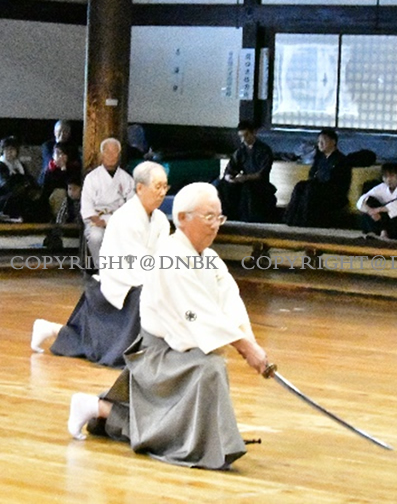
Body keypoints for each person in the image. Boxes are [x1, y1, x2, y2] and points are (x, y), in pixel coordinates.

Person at [66, 182, 269, 471]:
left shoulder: (209, 259)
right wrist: (245, 348)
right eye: (208, 217)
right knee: (208, 368)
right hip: (157, 355)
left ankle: (207, 442)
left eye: (219, 217)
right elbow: (199, 312)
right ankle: (102, 409)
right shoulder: (170, 256)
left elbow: (230, 304)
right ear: (182, 219)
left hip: (182, 350)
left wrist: (252, 344)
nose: (215, 226)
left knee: (208, 365)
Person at [31, 162, 171, 368]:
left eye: (165, 187)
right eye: (157, 186)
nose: (162, 192)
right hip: (122, 280)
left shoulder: (161, 220)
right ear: (140, 188)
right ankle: (140, 351)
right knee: (147, 295)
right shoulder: (125, 218)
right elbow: (132, 263)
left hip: (145, 277)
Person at [80, 138, 135, 266]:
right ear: (101, 154)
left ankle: (125, 270)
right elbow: (87, 205)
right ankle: (102, 267)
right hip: (97, 220)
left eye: (114, 152)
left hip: (119, 220)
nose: (111, 155)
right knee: (96, 236)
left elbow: (132, 205)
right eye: (107, 152)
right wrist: (97, 220)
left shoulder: (126, 178)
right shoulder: (92, 178)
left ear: (119, 155)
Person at [284, 128, 352, 228]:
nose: (320, 144)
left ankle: (306, 222)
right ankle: (291, 220)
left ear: (333, 142)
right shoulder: (320, 158)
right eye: (319, 142)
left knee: (311, 189)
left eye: (323, 141)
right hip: (318, 188)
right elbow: (312, 174)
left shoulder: (341, 160)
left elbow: (339, 183)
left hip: (333, 193)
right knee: (300, 186)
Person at [214, 121, 277, 222]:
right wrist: (229, 177)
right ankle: (227, 216)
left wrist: (245, 178)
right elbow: (231, 168)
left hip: (260, 184)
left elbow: (261, 174)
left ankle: (248, 219)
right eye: (241, 137)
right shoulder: (241, 151)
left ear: (254, 133)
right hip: (243, 181)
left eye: (246, 135)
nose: (244, 139)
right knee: (222, 185)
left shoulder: (264, 150)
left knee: (247, 188)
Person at [0, 136, 50, 222]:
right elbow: (8, 186)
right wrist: (26, 186)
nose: (10, 152)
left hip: (13, 196)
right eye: (7, 149)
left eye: (12, 149)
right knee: (22, 198)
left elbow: (30, 180)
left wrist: (36, 190)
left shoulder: (19, 166)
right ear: (2, 151)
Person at [356, 162, 397, 240]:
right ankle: (378, 232)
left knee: (389, 213)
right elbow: (362, 200)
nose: (388, 180)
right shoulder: (382, 187)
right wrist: (370, 211)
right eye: (385, 177)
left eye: (392, 176)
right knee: (370, 201)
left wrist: (377, 210)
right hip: (382, 219)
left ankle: (383, 232)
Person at [39, 143, 80, 215]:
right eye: (58, 154)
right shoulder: (49, 170)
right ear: (53, 156)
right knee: (60, 193)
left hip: (70, 197)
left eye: (63, 154)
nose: (60, 156)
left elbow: (72, 183)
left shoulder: (73, 168)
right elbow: (47, 187)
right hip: (54, 198)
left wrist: (64, 169)